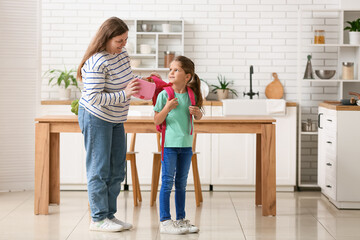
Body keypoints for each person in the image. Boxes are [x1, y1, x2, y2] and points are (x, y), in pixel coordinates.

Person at [76, 17, 157, 232]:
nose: (123, 44)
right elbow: (94, 98)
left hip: (116, 118)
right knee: (99, 169)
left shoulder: (120, 55)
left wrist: (143, 83)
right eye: (119, 40)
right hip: (96, 117)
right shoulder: (96, 62)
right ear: (106, 38)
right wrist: (124, 94)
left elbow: (126, 79)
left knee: (117, 170)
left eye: (125, 40)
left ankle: (109, 215)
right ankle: (98, 218)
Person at [153, 56, 203, 234]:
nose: (171, 73)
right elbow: (157, 120)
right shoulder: (164, 95)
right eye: (170, 70)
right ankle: (165, 221)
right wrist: (166, 108)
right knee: (167, 182)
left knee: (181, 183)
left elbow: (198, 117)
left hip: (186, 145)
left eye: (176, 70)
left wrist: (197, 113)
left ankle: (181, 219)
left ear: (187, 76)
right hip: (169, 146)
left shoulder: (192, 95)